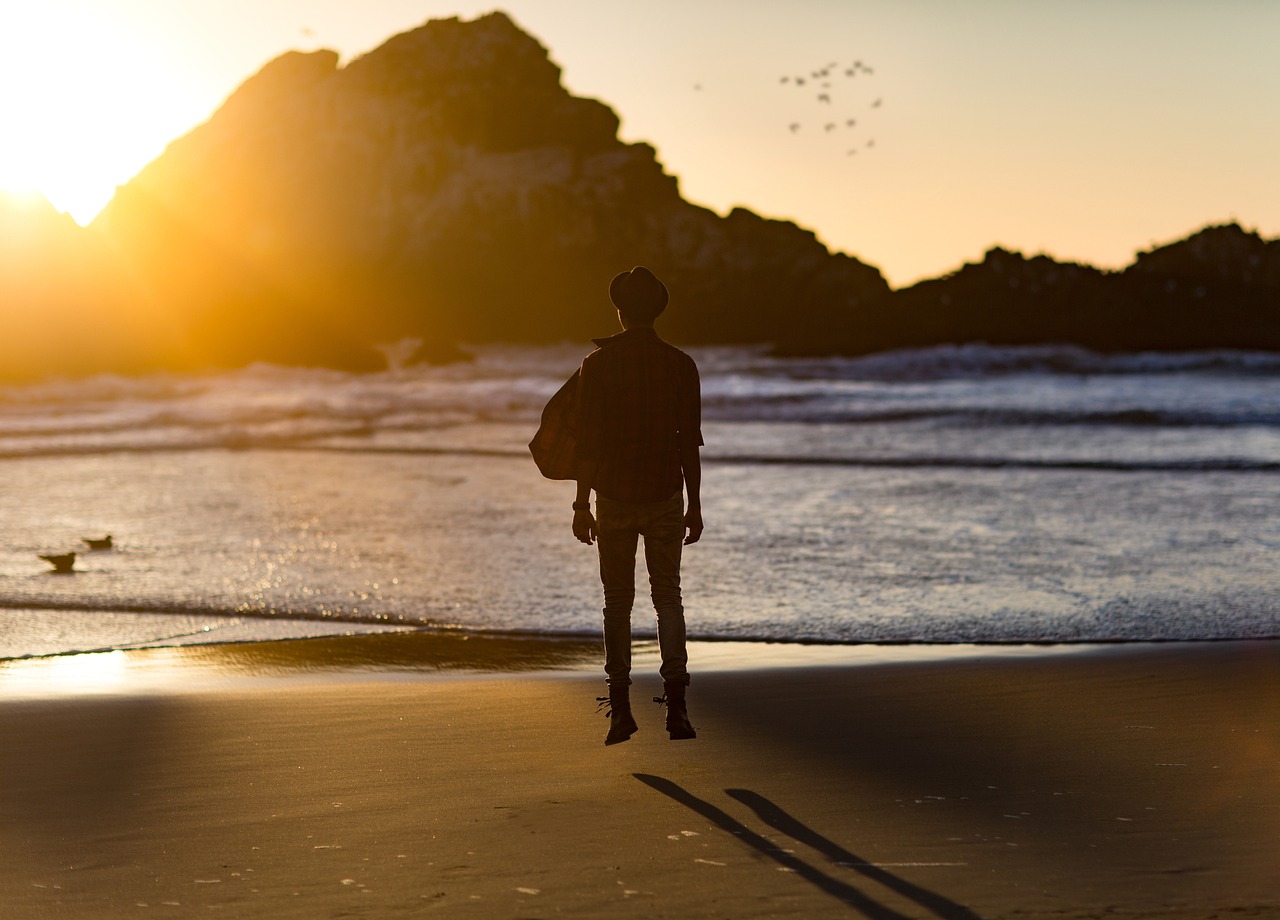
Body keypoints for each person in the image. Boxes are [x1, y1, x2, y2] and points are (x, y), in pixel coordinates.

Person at [572, 265, 703, 746]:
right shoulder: (680, 364)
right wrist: (696, 505)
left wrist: (580, 503)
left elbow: (588, 443)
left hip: (614, 495)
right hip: (667, 493)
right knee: (668, 599)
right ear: (657, 312)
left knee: (616, 603)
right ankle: (678, 710)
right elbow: (689, 443)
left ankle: (621, 711)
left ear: (621, 312)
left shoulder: (598, 365)